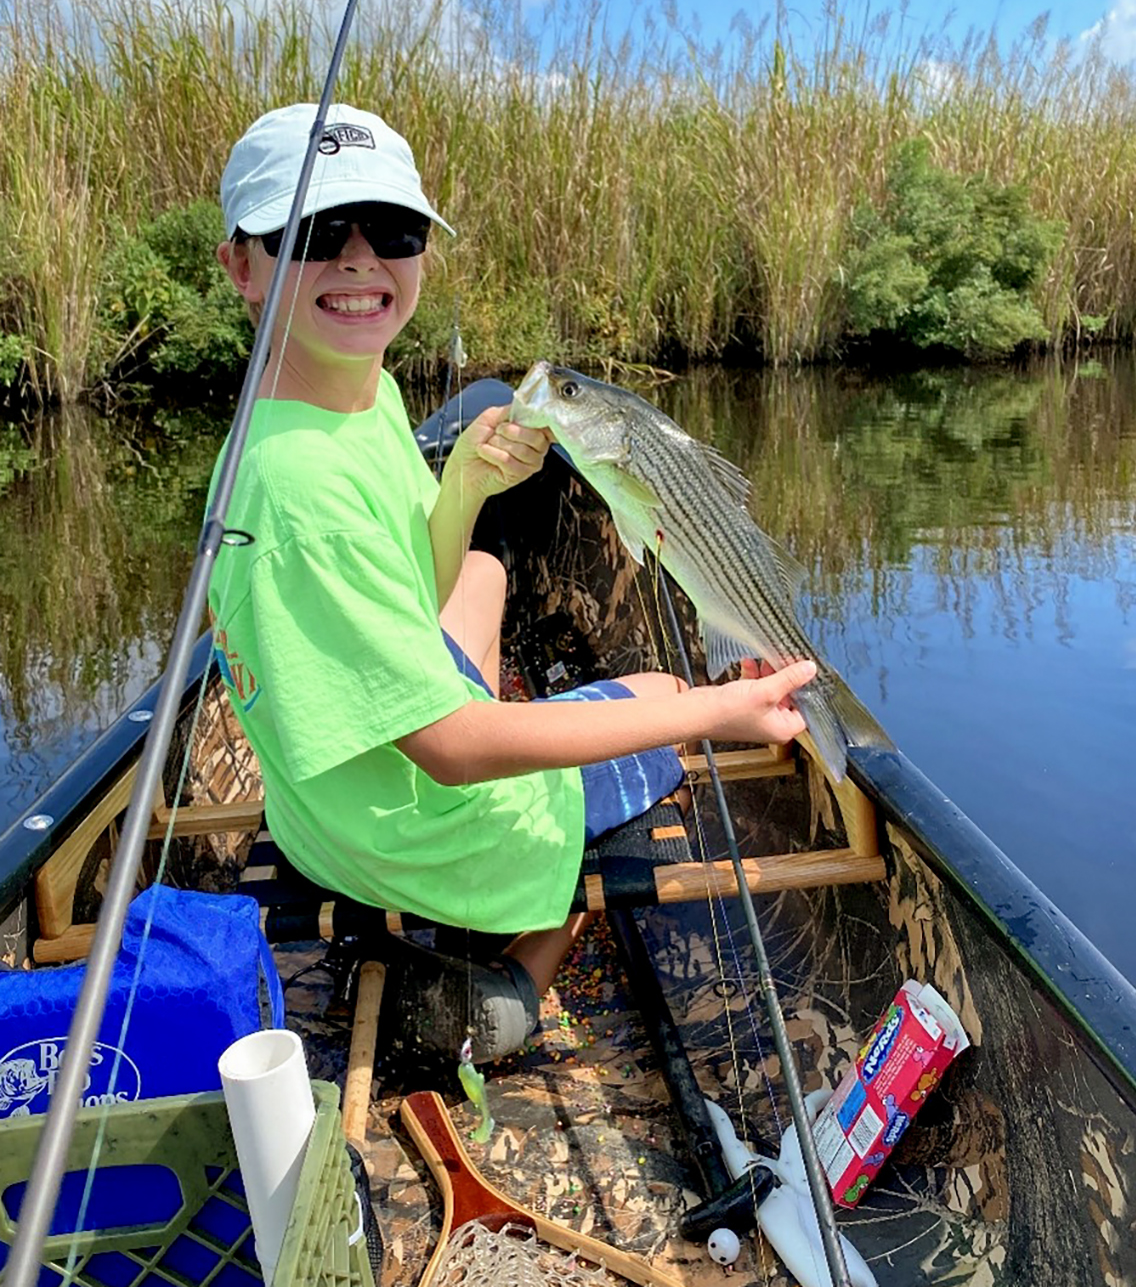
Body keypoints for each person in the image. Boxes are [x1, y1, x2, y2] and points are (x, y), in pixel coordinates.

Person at [208, 101, 817, 1061]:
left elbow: (417, 580)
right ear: (241, 263)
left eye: (395, 232)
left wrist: (465, 482)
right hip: (406, 832)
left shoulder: (343, 397)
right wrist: (706, 715)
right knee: (661, 698)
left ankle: (507, 798)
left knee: (485, 575)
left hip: (318, 808)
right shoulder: (301, 499)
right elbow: (450, 749)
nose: (362, 260)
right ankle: (514, 988)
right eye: (317, 235)